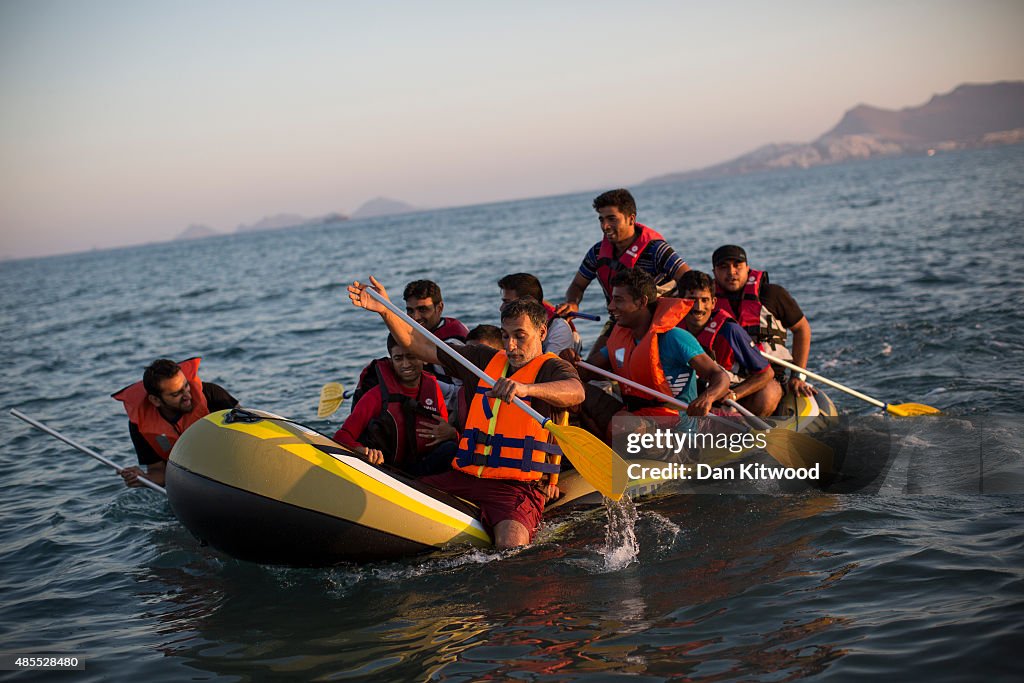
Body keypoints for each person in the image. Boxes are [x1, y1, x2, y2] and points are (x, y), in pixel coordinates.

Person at [348, 277, 584, 549]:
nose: (510, 346)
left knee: (511, 548)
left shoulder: (553, 369)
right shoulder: (482, 359)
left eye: (520, 336)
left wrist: (527, 389)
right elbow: (419, 347)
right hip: (464, 477)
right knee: (399, 498)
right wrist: (386, 311)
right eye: (506, 336)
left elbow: (576, 392)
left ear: (542, 333)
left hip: (516, 488)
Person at [580, 269, 730, 438]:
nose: (610, 307)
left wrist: (707, 398)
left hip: (675, 431)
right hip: (634, 417)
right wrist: (567, 360)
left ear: (641, 302)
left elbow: (720, 376)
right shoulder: (622, 340)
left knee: (623, 424)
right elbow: (585, 371)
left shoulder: (675, 338)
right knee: (576, 391)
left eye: (618, 300)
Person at [555, 188, 690, 353]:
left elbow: (688, 278)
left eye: (612, 219)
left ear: (631, 219)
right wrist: (573, 303)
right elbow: (577, 285)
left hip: (658, 324)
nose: (605, 226)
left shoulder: (656, 250)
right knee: (591, 368)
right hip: (620, 321)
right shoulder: (596, 253)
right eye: (601, 219)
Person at [333, 335, 456, 476]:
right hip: (386, 472)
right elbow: (341, 436)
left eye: (411, 356)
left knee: (451, 448)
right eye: (398, 358)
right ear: (391, 361)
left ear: (424, 358)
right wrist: (361, 451)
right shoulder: (376, 396)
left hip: (422, 468)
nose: (405, 364)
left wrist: (452, 432)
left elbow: (445, 430)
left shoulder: (432, 388)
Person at [112, 357, 238, 487]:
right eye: (176, 394)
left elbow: (249, 423)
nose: (187, 396)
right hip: (195, 483)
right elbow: (159, 473)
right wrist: (144, 479)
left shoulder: (212, 395)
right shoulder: (139, 425)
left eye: (186, 386)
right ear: (155, 400)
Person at [711, 245, 816, 398]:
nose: (731, 272)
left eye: (737, 265)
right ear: (714, 273)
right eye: (723, 267)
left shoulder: (773, 294)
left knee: (766, 396)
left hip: (770, 376)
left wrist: (798, 376)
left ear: (747, 268)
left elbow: (802, 329)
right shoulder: (706, 303)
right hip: (728, 377)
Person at [679, 270, 779, 417]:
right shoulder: (671, 329)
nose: (698, 307)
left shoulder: (730, 331)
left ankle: (755, 432)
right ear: (680, 301)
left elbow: (766, 373)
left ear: (713, 303)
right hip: (691, 391)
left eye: (704, 300)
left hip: (729, 391)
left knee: (769, 393)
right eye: (692, 300)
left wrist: (734, 395)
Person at [401, 280, 470, 414]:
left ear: (439, 308)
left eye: (422, 309)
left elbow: (462, 392)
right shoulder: (436, 328)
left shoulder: (452, 342)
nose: (415, 317)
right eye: (410, 310)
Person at [498, 272, 582, 355]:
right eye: (505, 336)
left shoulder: (558, 328)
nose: (501, 308)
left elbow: (551, 366)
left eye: (507, 302)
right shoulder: (510, 328)